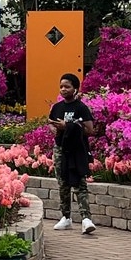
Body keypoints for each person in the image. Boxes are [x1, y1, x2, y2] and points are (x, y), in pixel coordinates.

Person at [49, 72, 97, 235]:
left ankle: (86, 218)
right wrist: (54, 128)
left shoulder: (81, 108)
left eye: (67, 87)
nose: (63, 89)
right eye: (61, 86)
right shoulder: (57, 107)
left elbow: (89, 130)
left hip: (76, 150)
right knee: (63, 183)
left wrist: (68, 125)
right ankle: (66, 217)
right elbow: (51, 123)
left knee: (79, 183)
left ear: (75, 89)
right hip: (60, 149)